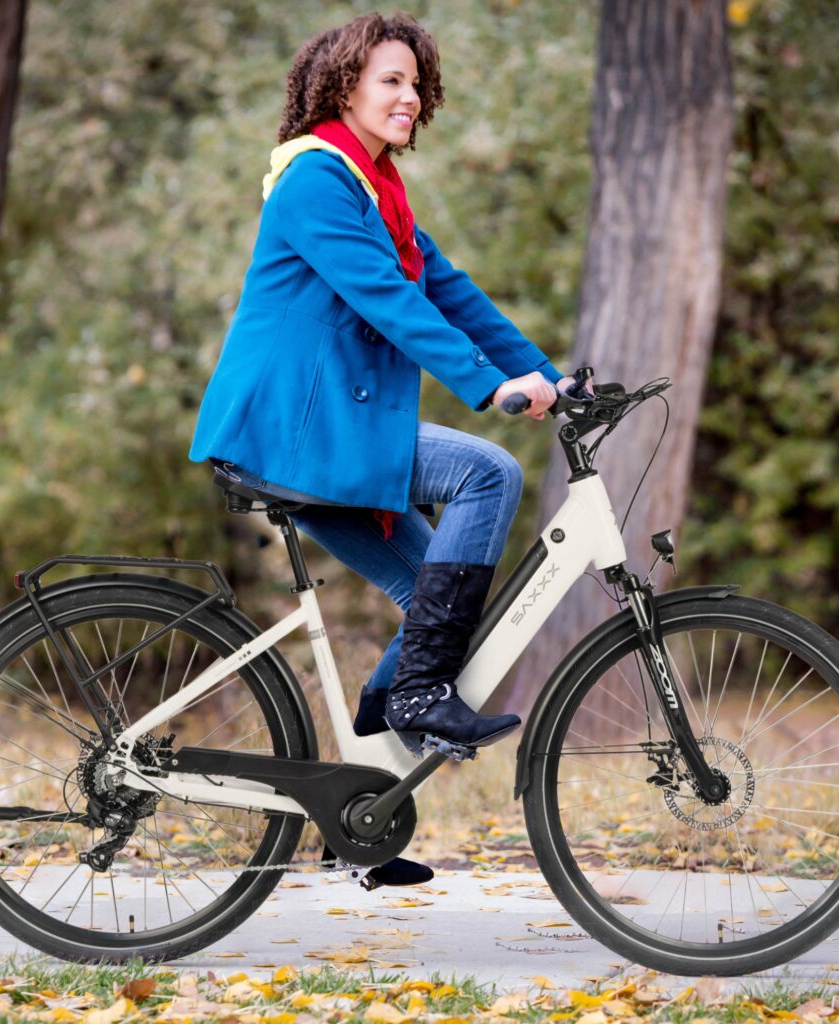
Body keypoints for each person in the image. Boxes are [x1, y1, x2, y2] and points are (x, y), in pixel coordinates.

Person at [190, 11, 576, 887]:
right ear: (343, 89)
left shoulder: (378, 191)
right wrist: (490, 387)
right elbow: (386, 301)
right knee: (488, 473)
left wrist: (553, 378)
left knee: (441, 598)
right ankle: (415, 697)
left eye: (415, 83)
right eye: (390, 81)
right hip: (291, 430)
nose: (409, 97)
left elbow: (451, 293)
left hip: (332, 430)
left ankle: (362, 798)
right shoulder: (316, 182)